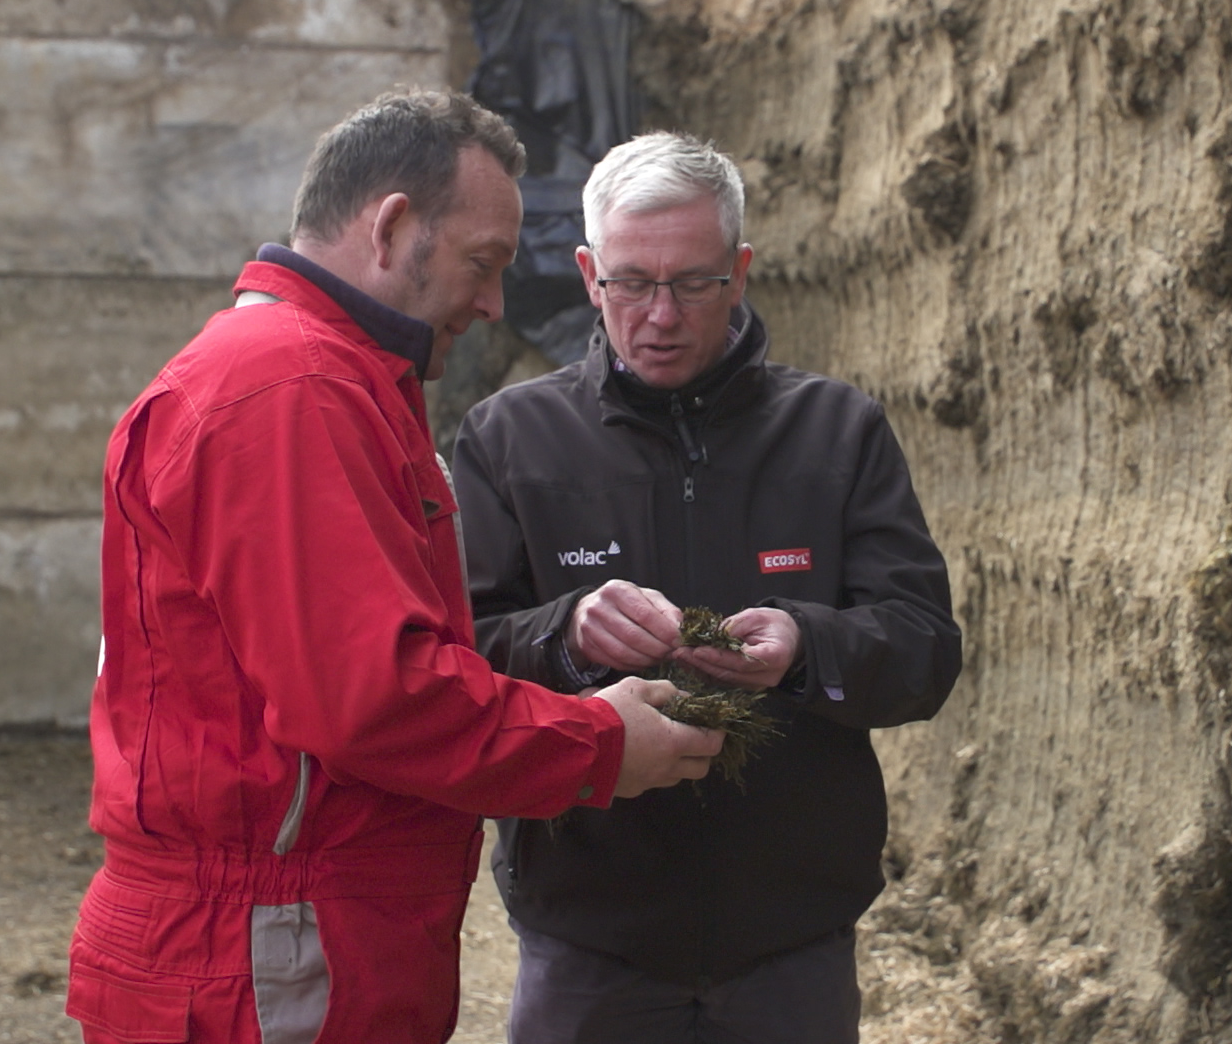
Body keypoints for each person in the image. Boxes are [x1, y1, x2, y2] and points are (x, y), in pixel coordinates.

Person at [67, 91, 722, 1044]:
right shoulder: (290, 390)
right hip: (272, 951)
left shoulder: (306, 375)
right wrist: (598, 744)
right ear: (392, 226)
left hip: (286, 937)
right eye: (482, 264)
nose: (495, 303)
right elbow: (370, 697)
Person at [452, 131, 963, 1043]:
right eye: (632, 283)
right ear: (586, 274)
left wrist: (808, 648)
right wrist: (564, 634)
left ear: (740, 271)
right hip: (590, 931)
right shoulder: (508, 439)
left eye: (693, 282)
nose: (661, 315)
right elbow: (457, 656)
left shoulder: (836, 431)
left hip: (789, 937)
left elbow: (924, 650)